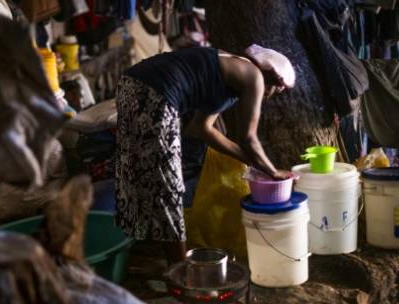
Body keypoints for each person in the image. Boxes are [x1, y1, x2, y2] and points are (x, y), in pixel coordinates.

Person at [115, 44, 296, 263]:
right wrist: (273, 171)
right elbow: (248, 138)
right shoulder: (254, 76)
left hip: (130, 84)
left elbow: (202, 129)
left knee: (143, 175)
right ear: (274, 79)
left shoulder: (226, 74)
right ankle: (181, 271)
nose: (270, 96)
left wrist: (256, 164)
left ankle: (136, 254)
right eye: (276, 90)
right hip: (156, 92)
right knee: (168, 186)